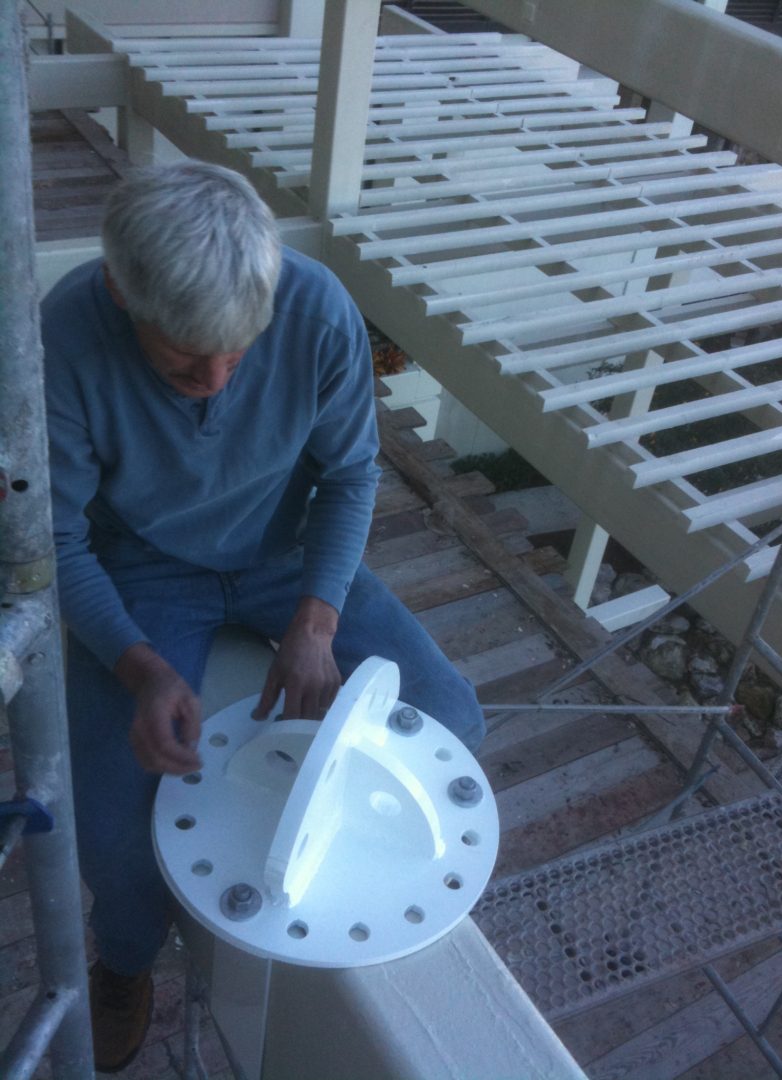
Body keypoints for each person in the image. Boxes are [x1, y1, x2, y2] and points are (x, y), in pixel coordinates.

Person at [42, 160, 485, 1073]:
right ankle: (125, 962)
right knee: (115, 821)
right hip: (144, 568)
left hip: (292, 557)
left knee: (453, 720)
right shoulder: (64, 338)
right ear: (121, 291)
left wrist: (317, 618)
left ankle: (356, 907)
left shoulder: (317, 307)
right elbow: (54, 540)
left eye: (238, 356)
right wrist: (139, 666)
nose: (214, 378)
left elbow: (352, 474)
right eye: (184, 362)